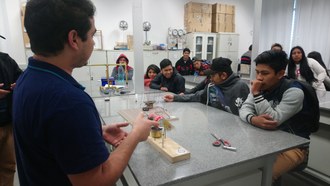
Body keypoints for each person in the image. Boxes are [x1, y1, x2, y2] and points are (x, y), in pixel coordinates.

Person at [13, 0, 158, 185]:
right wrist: (136, 134)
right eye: (91, 35)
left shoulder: (27, 79)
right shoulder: (68, 102)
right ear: (74, 39)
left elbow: (48, 138)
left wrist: (92, 133)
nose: (93, 42)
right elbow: (98, 180)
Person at [239, 50, 315, 182]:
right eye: (257, 72)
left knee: (260, 176)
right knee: (245, 169)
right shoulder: (262, 85)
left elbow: (273, 120)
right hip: (267, 140)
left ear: (280, 73)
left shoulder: (294, 92)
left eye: (265, 73)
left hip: (293, 146)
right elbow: (244, 108)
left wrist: (256, 93)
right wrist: (253, 119)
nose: (259, 77)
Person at [164, 57, 249, 115]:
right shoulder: (212, 86)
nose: (210, 79)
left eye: (212, 75)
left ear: (223, 75)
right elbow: (197, 96)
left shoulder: (241, 87)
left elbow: (246, 113)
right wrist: (175, 98)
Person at [0, 35, 23, 186]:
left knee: (8, 167)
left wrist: (19, 84)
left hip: (7, 124)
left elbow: (21, 76)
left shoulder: (5, 60)